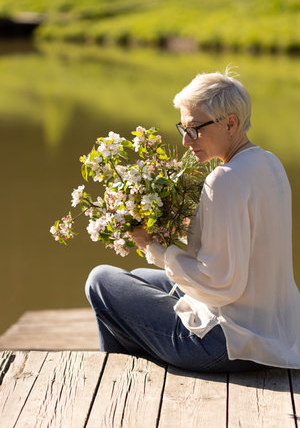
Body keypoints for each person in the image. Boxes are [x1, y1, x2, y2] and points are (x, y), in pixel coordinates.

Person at [85, 70, 300, 372]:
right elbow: (242, 241)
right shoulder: (269, 163)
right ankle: (132, 366)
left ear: (230, 123)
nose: (186, 140)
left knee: (101, 281)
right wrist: (180, 225)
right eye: (183, 128)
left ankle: (118, 379)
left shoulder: (224, 179)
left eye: (195, 129)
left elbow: (221, 284)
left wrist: (154, 248)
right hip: (274, 329)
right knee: (135, 278)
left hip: (228, 344)